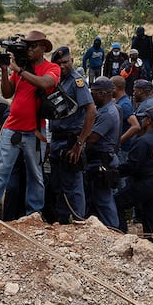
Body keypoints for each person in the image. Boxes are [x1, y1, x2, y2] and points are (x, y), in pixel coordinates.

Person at [0, 31, 59, 218]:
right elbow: (8, 93)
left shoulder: (51, 68)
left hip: (34, 130)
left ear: (43, 47)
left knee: (35, 174)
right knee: (1, 170)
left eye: (34, 46)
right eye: (28, 46)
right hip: (12, 127)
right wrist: (4, 70)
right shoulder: (22, 67)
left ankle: (34, 213)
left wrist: (18, 70)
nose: (30, 49)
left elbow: (45, 83)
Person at [46, 46, 95, 224]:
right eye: (58, 63)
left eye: (65, 62)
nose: (62, 66)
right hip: (57, 139)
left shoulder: (77, 82)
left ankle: (78, 221)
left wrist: (80, 142)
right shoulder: (56, 81)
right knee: (58, 184)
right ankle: (62, 221)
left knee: (73, 185)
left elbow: (91, 111)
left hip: (71, 140)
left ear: (72, 60)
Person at [114, 105, 153, 235]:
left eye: (143, 118)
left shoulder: (143, 141)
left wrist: (115, 172)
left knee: (118, 202)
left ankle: (121, 235)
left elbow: (132, 165)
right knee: (152, 216)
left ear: (148, 121)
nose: (141, 121)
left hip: (146, 182)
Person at [84, 77, 121, 229]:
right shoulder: (106, 109)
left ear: (103, 94)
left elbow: (92, 138)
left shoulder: (107, 113)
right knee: (96, 199)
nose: (91, 96)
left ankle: (113, 230)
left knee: (104, 201)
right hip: (99, 160)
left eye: (93, 93)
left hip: (101, 162)